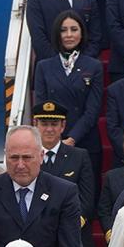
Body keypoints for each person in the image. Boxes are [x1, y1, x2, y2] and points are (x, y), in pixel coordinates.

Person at [33, 11, 105, 187]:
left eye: (74, 29)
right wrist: (57, 139)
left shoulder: (93, 66)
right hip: (53, 142)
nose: (69, 35)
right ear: (57, 34)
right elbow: (40, 106)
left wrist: (72, 138)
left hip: (85, 141)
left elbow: (92, 110)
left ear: (82, 33)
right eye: (64, 30)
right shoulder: (44, 66)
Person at [34, 102, 96, 247]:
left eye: (54, 124)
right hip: (37, 236)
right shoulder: (29, 157)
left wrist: (71, 224)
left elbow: (87, 198)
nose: (49, 129)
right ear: (35, 125)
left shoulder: (79, 156)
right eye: (44, 124)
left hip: (73, 234)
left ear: (62, 126)